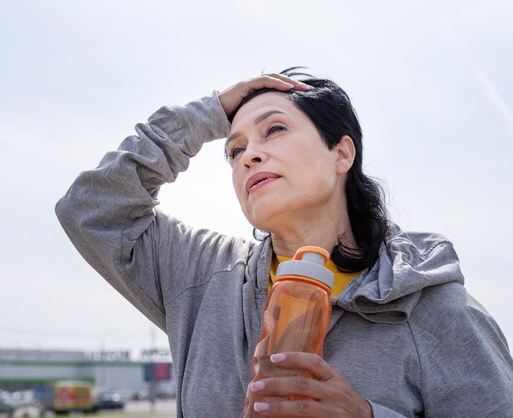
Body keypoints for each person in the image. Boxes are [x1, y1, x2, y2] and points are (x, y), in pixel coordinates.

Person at [56, 68, 513, 417]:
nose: (249, 155)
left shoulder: (434, 309)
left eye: (275, 129)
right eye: (235, 150)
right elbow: (90, 209)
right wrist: (208, 115)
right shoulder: (199, 274)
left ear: (342, 153)